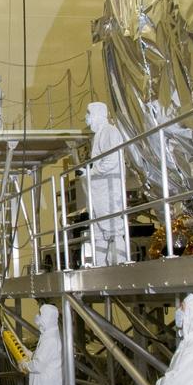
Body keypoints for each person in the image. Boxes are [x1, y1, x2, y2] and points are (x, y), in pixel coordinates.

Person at [85, 101, 128, 266]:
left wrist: (93, 171)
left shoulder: (110, 132)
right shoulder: (98, 135)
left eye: (88, 114)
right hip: (98, 190)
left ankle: (119, 263)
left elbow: (112, 159)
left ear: (96, 114)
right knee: (99, 230)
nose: (86, 118)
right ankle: (100, 265)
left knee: (113, 228)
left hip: (109, 189)